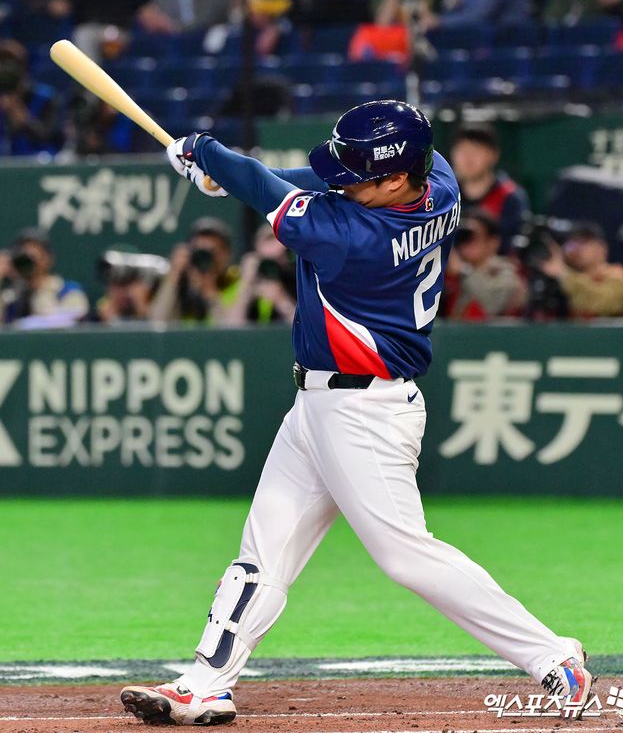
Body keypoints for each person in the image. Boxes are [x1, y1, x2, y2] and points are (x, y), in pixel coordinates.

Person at [120, 100, 592, 726]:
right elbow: (297, 183)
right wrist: (225, 176)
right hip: (320, 405)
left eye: (359, 174)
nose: (344, 180)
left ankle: (553, 656)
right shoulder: (439, 180)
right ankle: (207, 684)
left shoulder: (349, 239)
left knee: (405, 555)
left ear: (395, 180)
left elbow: (266, 186)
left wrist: (204, 154)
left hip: (364, 414)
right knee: (263, 553)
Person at [450, 124, 530, 255]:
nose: (468, 158)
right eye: (462, 150)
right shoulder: (443, 194)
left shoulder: (509, 197)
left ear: (493, 155)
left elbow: (512, 251)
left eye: (476, 150)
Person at [148, 217, 238, 324]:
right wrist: (174, 276)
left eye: (212, 251)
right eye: (198, 250)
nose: (205, 258)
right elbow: (156, 323)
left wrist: (210, 293)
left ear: (227, 255)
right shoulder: (180, 285)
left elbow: (232, 330)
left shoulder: (237, 284)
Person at [540, 222, 623, 317]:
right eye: (573, 243)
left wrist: (564, 274)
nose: (577, 249)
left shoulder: (618, 275)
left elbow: (606, 304)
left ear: (602, 248)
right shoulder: (564, 278)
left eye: (583, 242)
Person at [445, 210, 526, 320]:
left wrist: (465, 271)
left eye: (473, 236)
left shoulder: (506, 271)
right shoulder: (448, 267)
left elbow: (493, 306)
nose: (467, 241)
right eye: (465, 235)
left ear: (493, 242)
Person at [0, 228, 88, 327]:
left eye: (33, 255)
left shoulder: (68, 291)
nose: (27, 262)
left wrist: (41, 290)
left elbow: (72, 325)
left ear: (48, 258)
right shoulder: (12, 297)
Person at [0, 39, 62, 156]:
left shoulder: (45, 97)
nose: (6, 69)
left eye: (11, 63)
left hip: (39, 161)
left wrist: (24, 119)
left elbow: (53, 138)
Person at [227, 223, 296, 325]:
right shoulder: (236, 280)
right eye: (269, 239)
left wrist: (282, 300)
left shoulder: (298, 281)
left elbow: (307, 329)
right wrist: (246, 284)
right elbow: (230, 327)